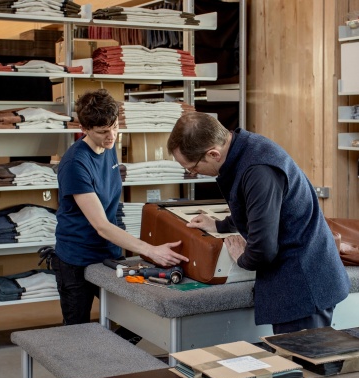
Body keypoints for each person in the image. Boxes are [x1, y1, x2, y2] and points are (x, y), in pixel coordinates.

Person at [167, 112, 351, 335]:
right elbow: (257, 207)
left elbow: (263, 249)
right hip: (301, 278)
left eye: (192, 168)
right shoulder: (244, 148)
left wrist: (241, 258)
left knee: (301, 364)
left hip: (303, 285)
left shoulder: (258, 170)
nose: (193, 173)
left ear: (213, 154)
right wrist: (220, 225)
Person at [52, 89, 189, 326]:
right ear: (84, 130)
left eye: (114, 126)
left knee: (133, 322)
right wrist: (149, 250)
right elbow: (101, 226)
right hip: (77, 258)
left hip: (109, 254)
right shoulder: (75, 164)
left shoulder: (108, 146)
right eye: (103, 131)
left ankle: (111, 360)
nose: (111, 135)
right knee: (76, 332)